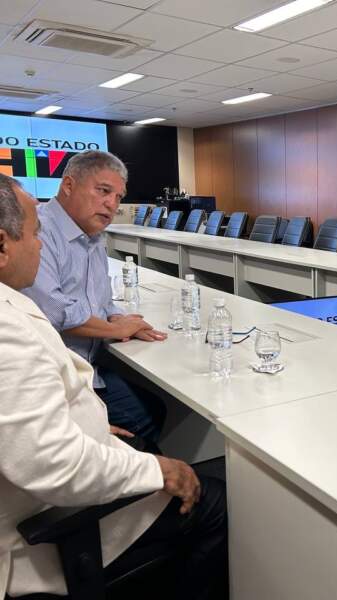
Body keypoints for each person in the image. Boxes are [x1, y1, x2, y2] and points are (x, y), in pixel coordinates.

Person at [0, 174, 227, 599]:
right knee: (217, 504)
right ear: (1, 245)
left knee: (144, 423)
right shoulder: (5, 331)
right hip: (46, 528)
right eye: (33, 234)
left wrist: (89, 424)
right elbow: (53, 465)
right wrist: (158, 469)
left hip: (55, 479)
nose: (41, 245)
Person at [23, 150, 167, 446]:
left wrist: (120, 318)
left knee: (152, 409)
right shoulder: (38, 230)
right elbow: (54, 311)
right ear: (68, 185)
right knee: (142, 420)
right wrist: (114, 329)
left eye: (118, 197)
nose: (112, 204)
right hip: (48, 377)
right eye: (103, 191)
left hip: (85, 368)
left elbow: (99, 299)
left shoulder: (92, 236)